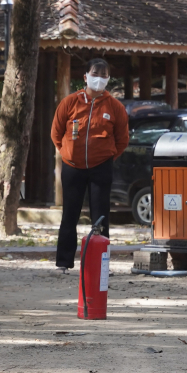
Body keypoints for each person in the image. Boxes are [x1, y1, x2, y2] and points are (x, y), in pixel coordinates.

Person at [50, 57, 128, 273]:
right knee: (70, 215)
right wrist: (67, 153)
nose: (99, 79)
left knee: (101, 216)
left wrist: (106, 157)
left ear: (108, 79)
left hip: (101, 167)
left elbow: (122, 140)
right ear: (85, 77)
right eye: (95, 74)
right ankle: (64, 263)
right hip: (72, 166)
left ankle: (99, 263)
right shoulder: (69, 103)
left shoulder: (115, 107)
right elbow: (56, 133)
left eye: (104, 76)